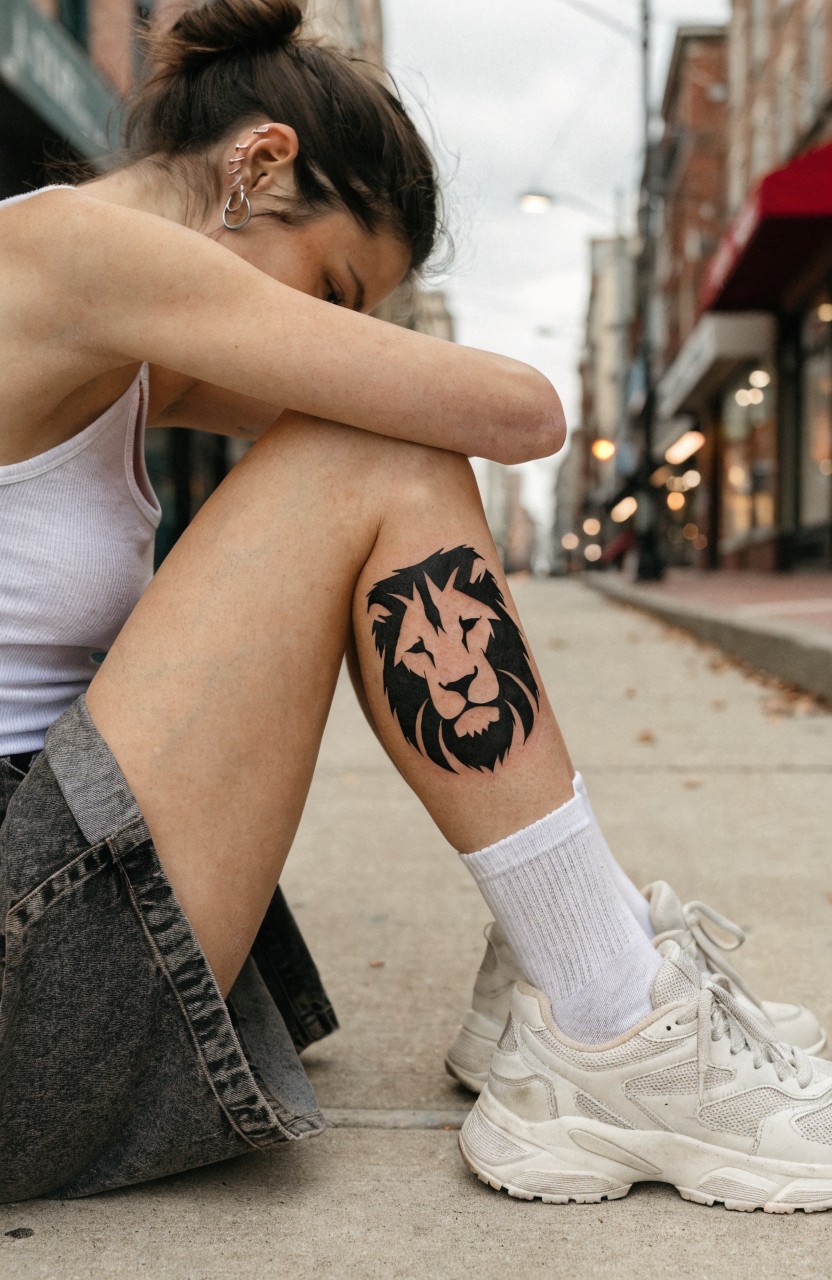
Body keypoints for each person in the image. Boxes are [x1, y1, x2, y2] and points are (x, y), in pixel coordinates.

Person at [0, 0, 829, 1213]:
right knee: (378, 449)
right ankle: (602, 1008)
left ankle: (578, 969)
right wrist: (369, 381)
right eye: (337, 287)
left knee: (378, 441)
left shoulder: (110, 326)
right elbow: (523, 413)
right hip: (29, 971)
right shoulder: (79, 253)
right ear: (260, 162)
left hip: (37, 916)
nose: (329, 328)